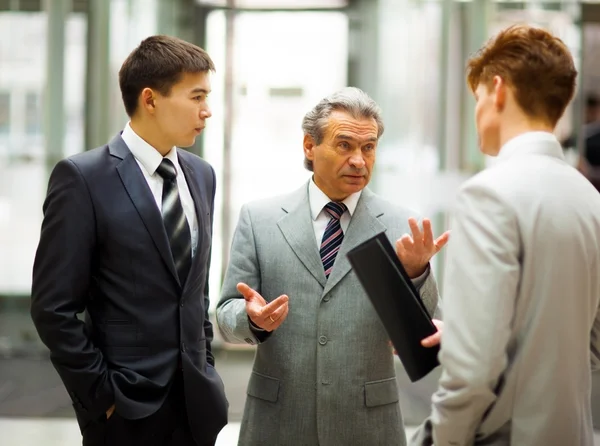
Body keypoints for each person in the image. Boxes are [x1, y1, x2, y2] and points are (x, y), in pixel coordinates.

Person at [216, 87, 448, 446]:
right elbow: (226, 313)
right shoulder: (259, 220)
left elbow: (428, 336)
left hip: (368, 425)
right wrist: (250, 319)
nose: (359, 160)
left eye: (368, 147)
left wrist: (417, 273)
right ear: (309, 146)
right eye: (345, 145)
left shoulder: (402, 225)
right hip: (278, 423)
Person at [30, 35, 227, 446]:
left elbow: (194, 292)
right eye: (196, 97)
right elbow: (53, 308)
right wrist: (101, 397)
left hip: (196, 407)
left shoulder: (202, 174)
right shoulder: (83, 178)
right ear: (151, 100)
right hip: (124, 411)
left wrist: (205, 363)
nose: (207, 111)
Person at [410, 25, 600, 446]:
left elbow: (473, 372)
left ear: (497, 89)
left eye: (476, 98)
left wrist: (442, 439)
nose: (477, 112)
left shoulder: (488, 194)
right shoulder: (589, 197)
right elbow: (590, 342)